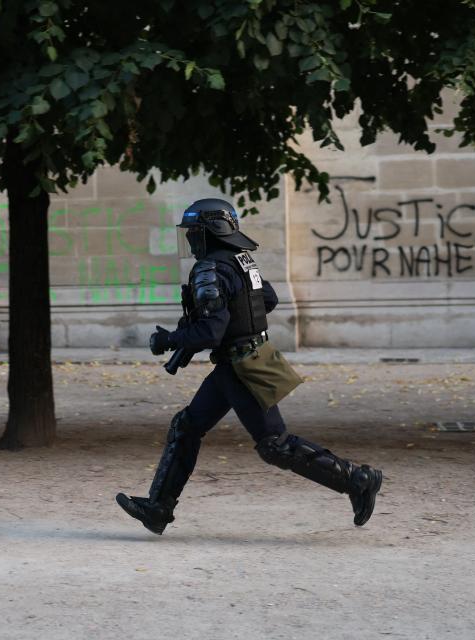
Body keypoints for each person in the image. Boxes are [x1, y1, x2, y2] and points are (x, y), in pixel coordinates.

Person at [116, 198, 383, 535]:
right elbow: (266, 299)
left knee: (275, 445)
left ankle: (358, 480)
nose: (191, 240)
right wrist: (239, 319)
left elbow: (210, 332)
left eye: (194, 232)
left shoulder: (210, 268)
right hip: (244, 360)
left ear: (211, 231)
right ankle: (158, 508)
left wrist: (169, 340)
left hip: (239, 367)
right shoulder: (242, 260)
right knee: (187, 426)